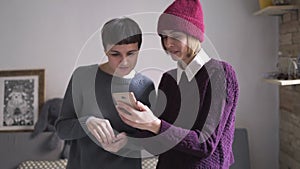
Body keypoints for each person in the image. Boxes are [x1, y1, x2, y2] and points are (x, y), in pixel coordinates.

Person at [116, 0, 239, 169]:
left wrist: (154, 124)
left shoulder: (220, 73)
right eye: (164, 37)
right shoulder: (169, 79)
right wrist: (139, 123)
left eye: (175, 35)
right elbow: (158, 145)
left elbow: (205, 144)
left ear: (194, 33)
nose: (168, 44)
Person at [55, 17, 155, 169]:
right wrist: (87, 122)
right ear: (105, 50)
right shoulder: (82, 77)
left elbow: (152, 140)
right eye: (115, 54)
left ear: (139, 50)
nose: (124, 62)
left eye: (131, 53)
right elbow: (62, 129)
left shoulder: (145, 86)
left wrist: (128, 142)